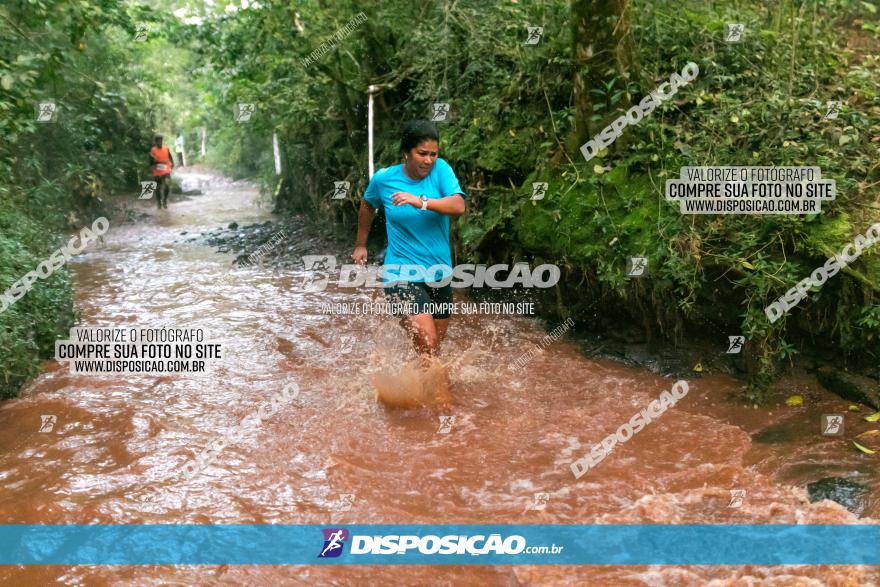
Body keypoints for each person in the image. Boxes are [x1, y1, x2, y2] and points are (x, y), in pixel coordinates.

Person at [352, 120, 467, 360]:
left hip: (439, 272)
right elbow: (367, 204)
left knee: (432, 351)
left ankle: (416, 390)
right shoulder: (384, 179)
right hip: (400, 273)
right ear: (406, 152)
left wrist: (421, 201)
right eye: (422, 153)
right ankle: (440, 398)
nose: (428, 160)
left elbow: (458, 205)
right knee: (427, 341)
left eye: (433, 154)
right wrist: (361, 244)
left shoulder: (441, 170)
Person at [149, 134, 174, 209]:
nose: (160, 142)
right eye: (158, 141)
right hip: (157, 170)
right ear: (156, 142)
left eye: (161, 141)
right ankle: (159, 202)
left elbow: (170, 157)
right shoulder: (153, 150)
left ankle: (165, 201)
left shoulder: (166, 148)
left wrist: (172, 163)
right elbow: (150, 161)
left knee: (167, 185)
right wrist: (153, 164)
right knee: (157, 187)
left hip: (166, 170)